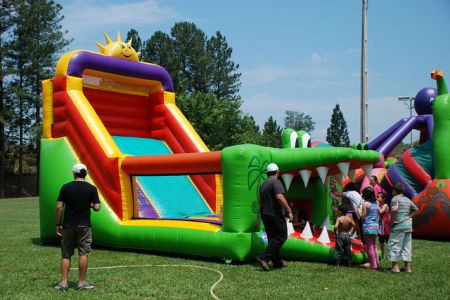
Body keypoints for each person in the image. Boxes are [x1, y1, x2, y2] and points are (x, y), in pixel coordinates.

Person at [55, 163, 101, 291]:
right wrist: (89, 204)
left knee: (66, 254)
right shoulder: (92, 188)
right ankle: (82, 283)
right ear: (85, 174)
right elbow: (97, 207)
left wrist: (58, 224)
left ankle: (64, 283)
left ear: (74, 173)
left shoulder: (65, 187)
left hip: (68, 225)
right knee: (83, 253)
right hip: (84, 225)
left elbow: (59, 207)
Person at [256, 163, 293, 271]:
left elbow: (259, 200)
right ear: (278, 172)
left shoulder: (263, 184)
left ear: (268, 173)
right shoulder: (276, 182)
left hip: (265, 214)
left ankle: (277, 263)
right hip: (274, 214)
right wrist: (289, 211)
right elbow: (280, 197)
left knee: (273, 238)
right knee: (282, 236)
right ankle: (263, 257)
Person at [388, 183, 418, 273]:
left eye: (393, 190)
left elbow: (394, 210)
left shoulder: (395, 199)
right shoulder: (407, 199)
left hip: (398, 225)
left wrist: (391, 222)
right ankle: (407, 268)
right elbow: (415, 209)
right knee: (407, 246)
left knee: (394, 245)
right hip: (407, 226)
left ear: (395, 191)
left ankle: (395, 268)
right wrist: (408, 216)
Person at [360, 186, 380, 270]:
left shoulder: (365, 204)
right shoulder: (376, 203)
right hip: (375, 226)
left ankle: (373, 266)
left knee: (370, 247)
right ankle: (377, 264)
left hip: (367, 227)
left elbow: (363, 217)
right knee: (374, 246)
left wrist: (359, 212)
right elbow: (378, 212)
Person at [377, 192, 390, 259]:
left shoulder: (385, 205)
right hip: (381, 225)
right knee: (381, 241)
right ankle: (382, 255)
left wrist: (377, 205)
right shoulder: (379, 205)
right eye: (377, 197)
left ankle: (390, 254)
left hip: (385, 225)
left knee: (388, 241)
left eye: (379, 197)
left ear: (384, 198)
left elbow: (381, 211)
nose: (377, 198)